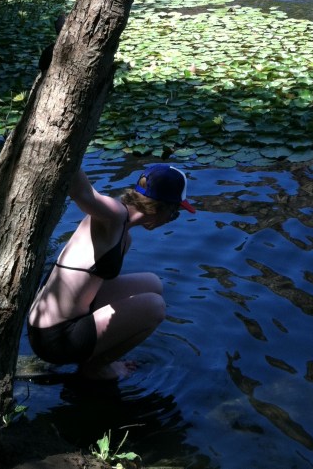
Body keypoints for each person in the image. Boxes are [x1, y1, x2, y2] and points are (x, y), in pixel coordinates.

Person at [27, 163, 195, 380]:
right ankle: (96, 368)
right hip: (56, 338)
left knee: (153, 283)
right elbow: (82, 193)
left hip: (52, 324)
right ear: (162, 208)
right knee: (156, 307)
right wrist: (67, 151)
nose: (171, 219)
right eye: (175, 213)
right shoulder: (114, 215)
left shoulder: (124, 234)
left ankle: (95, 352)